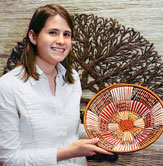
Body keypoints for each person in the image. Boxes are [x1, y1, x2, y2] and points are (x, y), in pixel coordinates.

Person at [0, 4, 114, 166]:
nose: (61, 41)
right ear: (33, 37)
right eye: (53, 32)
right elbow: (9, 158)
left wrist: (105, 130)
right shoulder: (8, 86)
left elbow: (68, 130)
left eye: (66, 34)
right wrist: (68, 153)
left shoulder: (72, 78)